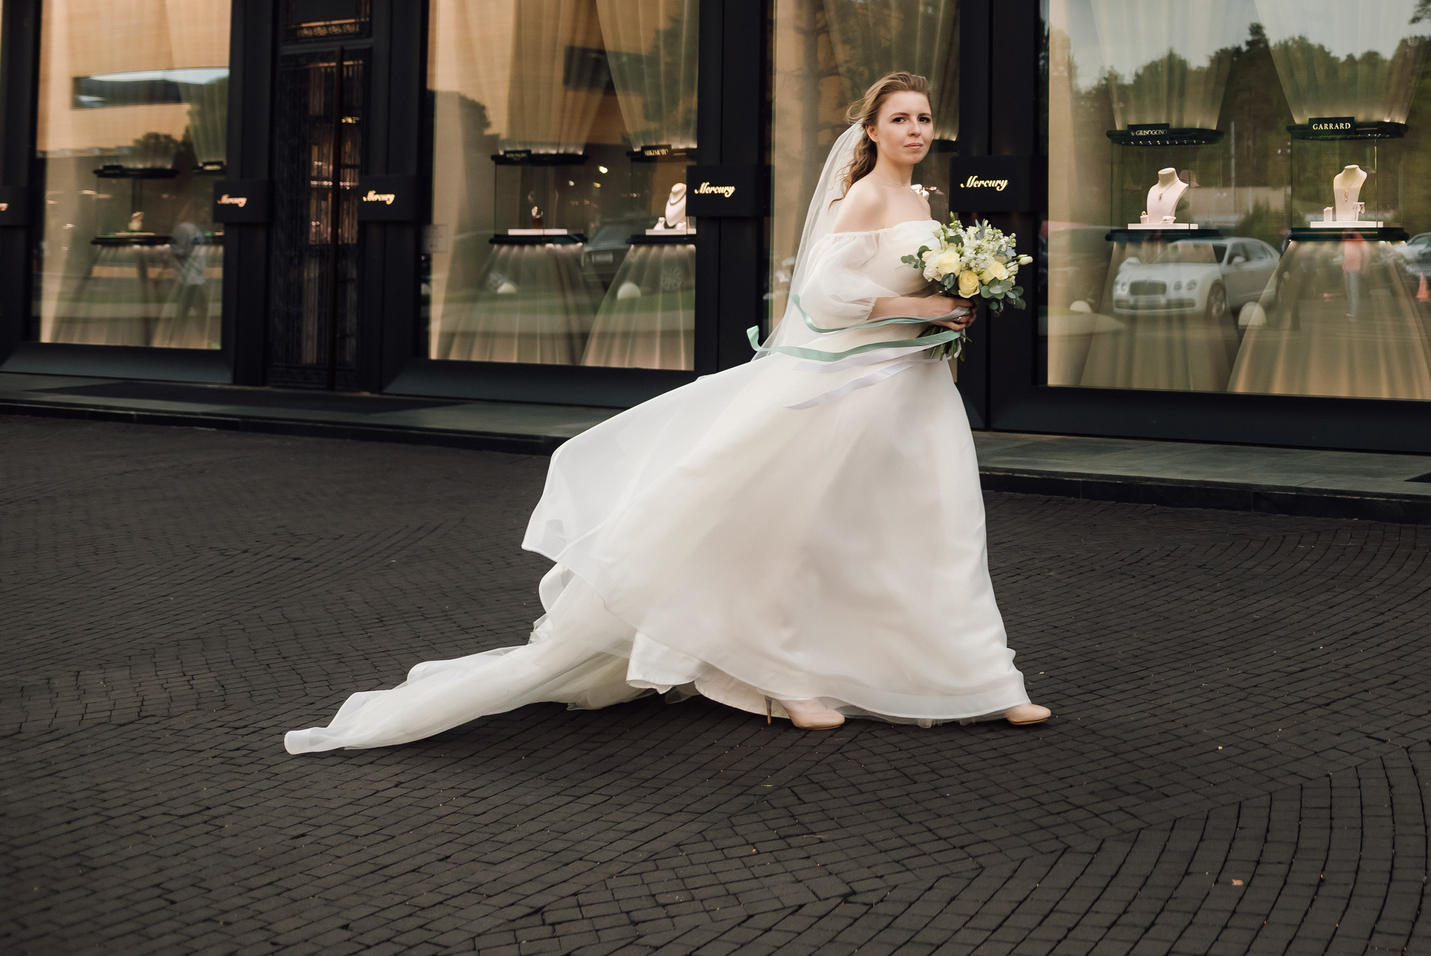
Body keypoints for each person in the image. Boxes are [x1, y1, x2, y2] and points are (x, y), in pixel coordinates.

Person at [283, 71, 1048, 752]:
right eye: (902, 118)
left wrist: (954, 306)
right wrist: (916, 301)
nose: (917, 130)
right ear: (872, 130)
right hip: (854, 390)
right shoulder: (864, 196)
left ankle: (988, 684)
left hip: (918, 391)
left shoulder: (920, 197)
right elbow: (821, 297)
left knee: (936, 531)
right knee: (801, 532)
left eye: (924, 118)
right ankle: (784, 677)